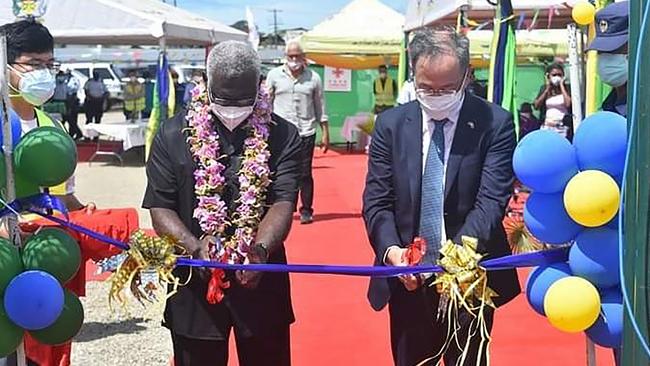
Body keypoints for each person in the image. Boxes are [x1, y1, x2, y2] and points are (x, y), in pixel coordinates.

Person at [362, 28, 520, 366]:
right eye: (426, 88)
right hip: (407, 279)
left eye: (446, 88)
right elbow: (377, 199)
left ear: (466, 76)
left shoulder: (495, 123)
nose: (435, 95)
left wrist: (454, 258)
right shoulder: (390, 124)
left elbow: (491, 201)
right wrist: (393, 252)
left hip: (469, 279)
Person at [143, 40, 301, 366]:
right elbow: (160, 206)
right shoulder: (173, 134)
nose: (231, 109)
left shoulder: (283, 135)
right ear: (205, 82)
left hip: (261, 282)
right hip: (194, 291)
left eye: (242, 101)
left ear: (260, 87)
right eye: (223, 100)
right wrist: (195, 247)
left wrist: (259, 249)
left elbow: (283, 202)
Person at [0, 18, 108, 366]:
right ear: (5, 63)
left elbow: (62, 193)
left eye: (50, 65)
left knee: (44, 352)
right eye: (34, 64)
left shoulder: (52, 126)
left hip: (46, 261)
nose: (44, 74)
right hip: (4, 262)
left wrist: (81, 210)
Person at [266, 39, 329, 225]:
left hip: (306, 132)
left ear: (303, 57)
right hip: (280, 133)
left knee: (304, 173)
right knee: (278, 172)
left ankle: (307, 210)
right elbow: (266, 103)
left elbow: (320, 106)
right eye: (290, 56)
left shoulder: (313, 78)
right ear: (285, 57)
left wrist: (325, 131)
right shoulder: (274, 75)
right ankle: (283, 208)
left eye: (297, 56)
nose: (294, 59)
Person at [588, 1, 629, 117]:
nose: (605, 57)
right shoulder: (608, 107)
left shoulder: (642, 111)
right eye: (601, 51)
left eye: (613, 50)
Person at [533, 63, 573, 140]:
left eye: (559, 75)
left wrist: (562, 86)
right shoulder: (544, 88)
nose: (557, 77)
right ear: (549, 76)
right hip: (547, 126)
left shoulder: (567, 88)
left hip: (562, 127)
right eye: (554, 75)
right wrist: (547, 89)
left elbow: (568, 104)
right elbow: (536, 106)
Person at [63, 69, 82, 140]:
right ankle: (74, 133)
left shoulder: (74, 79)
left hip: (72, 100)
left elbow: (74, 89)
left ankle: (76, 133)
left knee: (72, 118)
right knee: (66, 118)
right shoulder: (63, 79)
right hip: (65, 100)